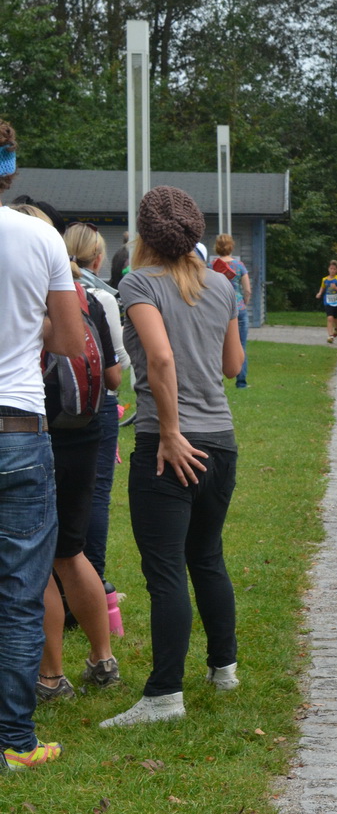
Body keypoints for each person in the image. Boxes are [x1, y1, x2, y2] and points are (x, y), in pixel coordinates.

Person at [102, 186, 246, 728]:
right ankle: (223, 668)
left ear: (143, 233)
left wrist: (168, 432)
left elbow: (159, 359)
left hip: (170, 446)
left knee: (165, 572)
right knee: (206, 556)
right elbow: (233, 365)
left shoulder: (138, 282)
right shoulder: (220, 285)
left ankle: (164, 695)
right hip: (221, 441)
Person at [0, 121, 85, 770]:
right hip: (19, 428)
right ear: (11, 166)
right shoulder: (40, 237)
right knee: (21, 591)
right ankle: (14, 740)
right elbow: (69, 340)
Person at [33, 220, 124, 703]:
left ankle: (50, 677)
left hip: (38, 431)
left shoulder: (25, 297)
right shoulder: (92, 296)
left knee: (41, 562)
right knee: (73, 551)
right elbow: (112, 377)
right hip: (86, 429)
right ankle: (102, 660)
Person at [64, 224, 129, 632]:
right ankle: (96, 583)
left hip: (51, 407)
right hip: (95, 406)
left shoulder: (45, 290)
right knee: (94, 497)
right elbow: (115, 374)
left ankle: (59, 584)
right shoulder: (100, 297)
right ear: (99, 259)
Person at [210, 234, 252, 389]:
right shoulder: (239, 265)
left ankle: (217, 380)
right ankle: (241, 382)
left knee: (216, 345)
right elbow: (247, 289)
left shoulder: (212, 266)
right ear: (231, 246)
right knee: (241, 345)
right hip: (238, 307)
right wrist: (243, 303)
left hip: (218, 309)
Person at [319, 260, 337, 342]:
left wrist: (336, 288)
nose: (332, 270)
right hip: (328, 301)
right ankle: (330, 336)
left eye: (334, 269)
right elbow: (323, 287)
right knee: (330, 318)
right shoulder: (324, 279)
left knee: (335, 318)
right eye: (331, 268)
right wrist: (320, 293)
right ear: (328, 269)